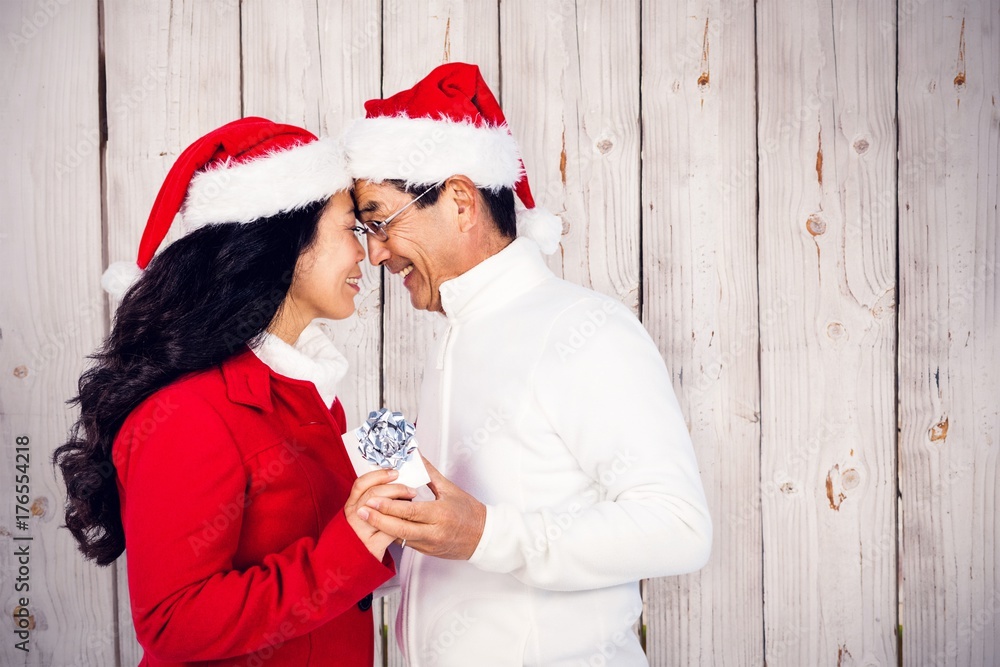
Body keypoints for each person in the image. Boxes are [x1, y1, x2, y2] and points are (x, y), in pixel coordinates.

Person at [343, 63, 713, 666]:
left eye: (380, 220)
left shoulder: (583, 330)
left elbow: (679, 527)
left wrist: (489, 533)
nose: (376, 252)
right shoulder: (454, 340)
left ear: (460, 201)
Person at [54, 117, 412, 666]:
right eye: (350, 229)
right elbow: (172, 621)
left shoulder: (307, 395)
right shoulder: (187, 412)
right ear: (287, 244)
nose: (366, 256)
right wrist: (350, 548)